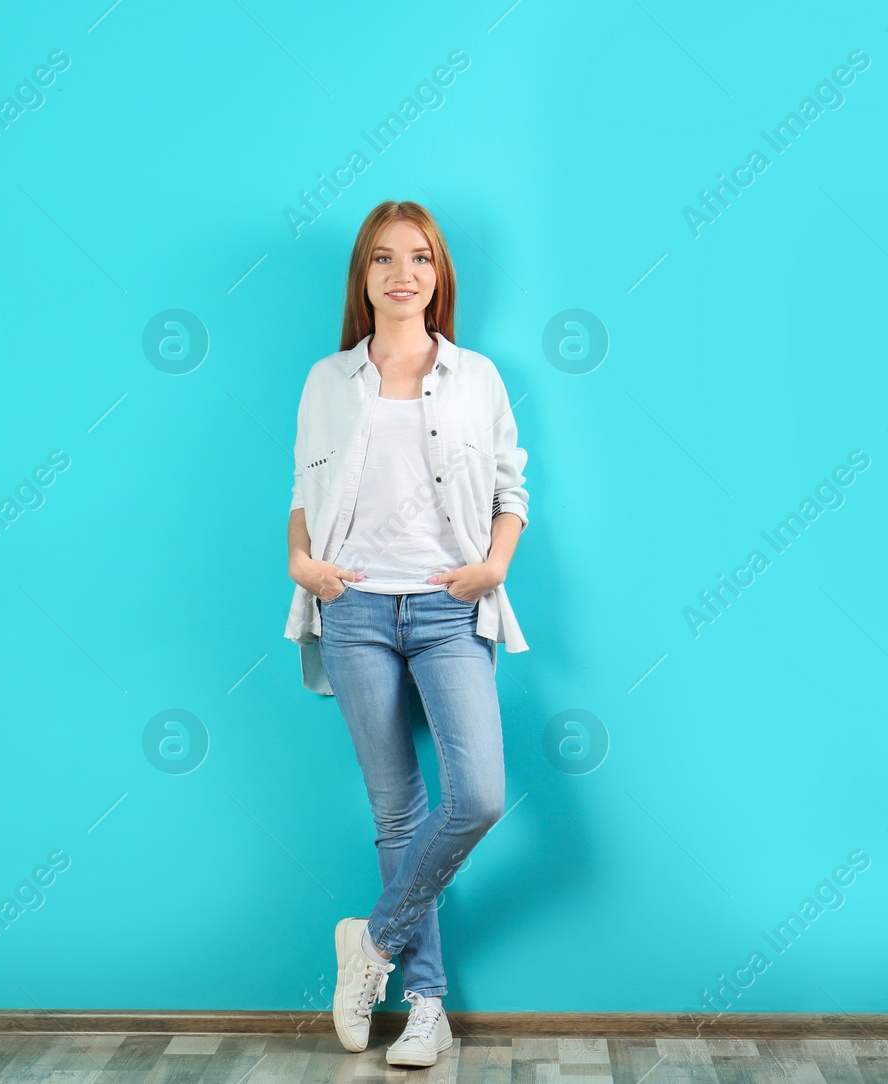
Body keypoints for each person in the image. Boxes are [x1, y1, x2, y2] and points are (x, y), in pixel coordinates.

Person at [282, 200, 530, 1066]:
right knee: (397, 811)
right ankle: (427, 1005)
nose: (402, 274)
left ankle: (372, 946)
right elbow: (303, 496)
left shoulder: (478, 377)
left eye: (418, 259)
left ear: (438, 274)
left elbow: (512, 490)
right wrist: (304, 567)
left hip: (447, 606)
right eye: (384, 259)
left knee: (480, 797)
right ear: (364, 277)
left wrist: (494, 566)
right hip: (351, 608)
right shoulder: (326, 380)